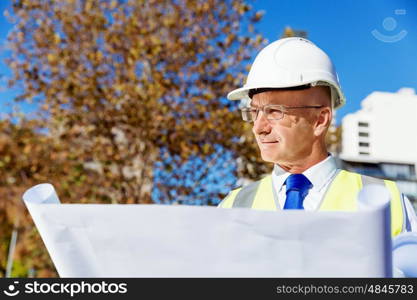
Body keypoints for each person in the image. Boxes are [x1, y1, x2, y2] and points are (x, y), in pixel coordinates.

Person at [218, 37, 417, 276]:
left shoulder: (386, 201)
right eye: (254, 112)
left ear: (320, 119)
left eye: (273, 112)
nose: (258, 127)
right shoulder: (233, 205)